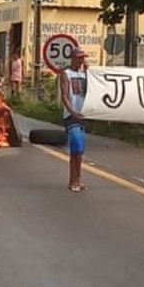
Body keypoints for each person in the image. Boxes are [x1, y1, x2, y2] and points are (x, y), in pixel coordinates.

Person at [59, 48, 89, 192]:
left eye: (82, 58)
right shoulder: (66, 74)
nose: (81, 60)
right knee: (75, 146)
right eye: (78, 58)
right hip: (71, 116)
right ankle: (73, 180)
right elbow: (64, 95)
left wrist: (89, 72)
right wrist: (71, 111)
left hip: (83, 115)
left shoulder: (85, 75)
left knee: (80, 150)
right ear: (72, 58)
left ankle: (78, 179)